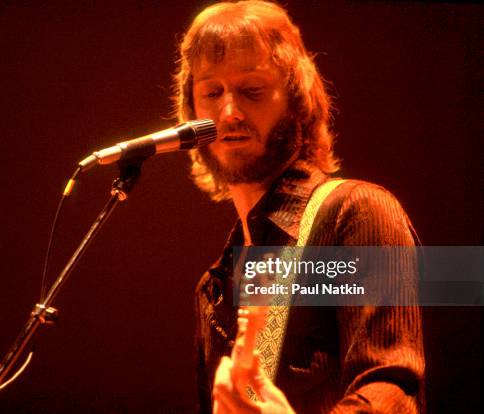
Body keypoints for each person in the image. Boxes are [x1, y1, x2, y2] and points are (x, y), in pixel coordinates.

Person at [172, 1, 425, 413]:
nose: (229, 112)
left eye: (251, 90)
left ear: (295, 98)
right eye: (211, 93)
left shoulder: (356, 213)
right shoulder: (215, 285)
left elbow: (391, 389)